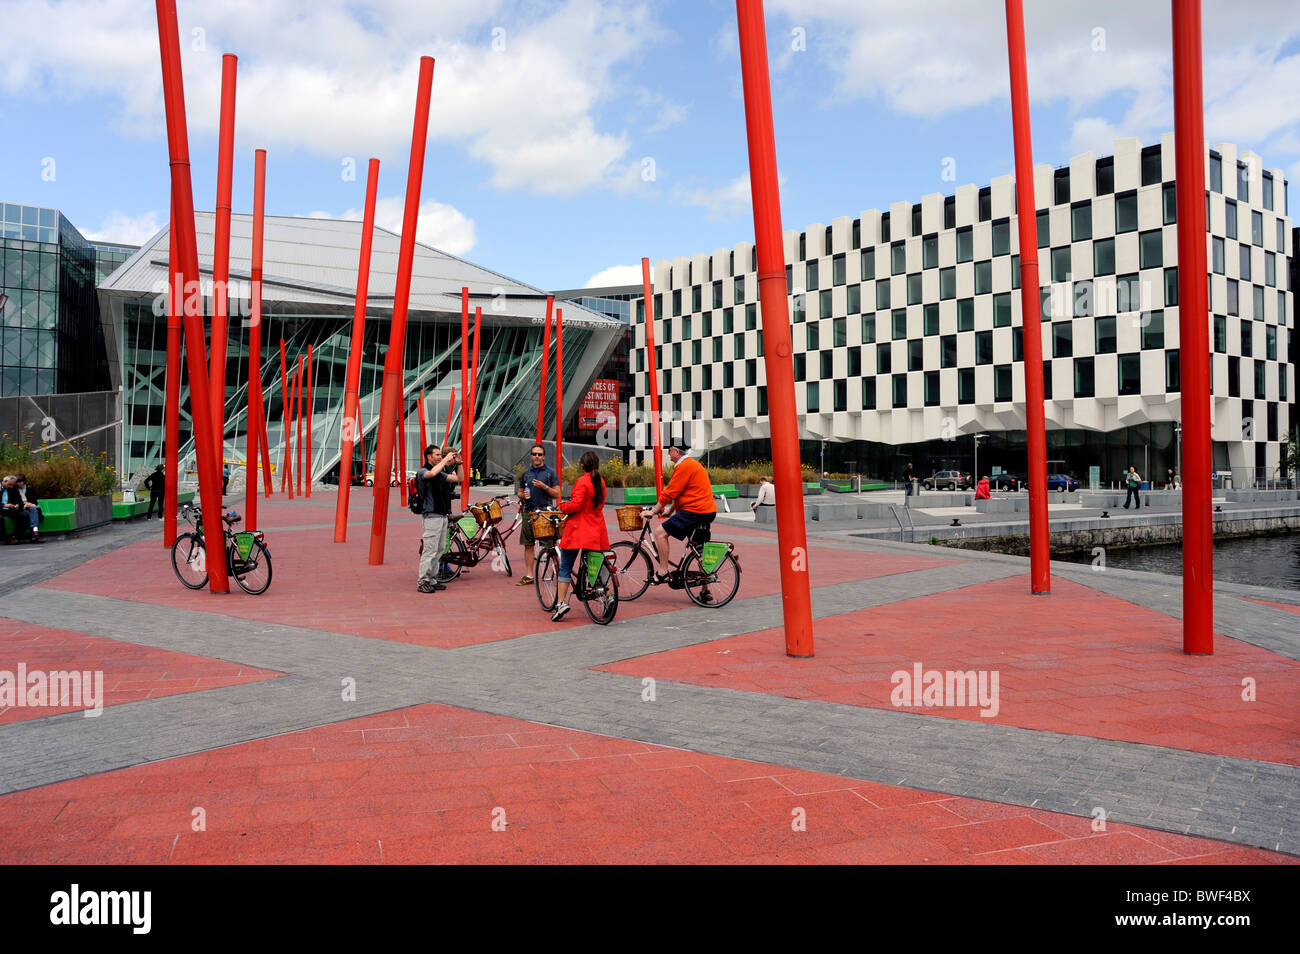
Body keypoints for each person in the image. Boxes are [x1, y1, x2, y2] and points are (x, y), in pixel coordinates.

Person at [641, 442, 716, 590]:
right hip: (706, 510)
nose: (668, 453)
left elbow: (670, 492)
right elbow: (683, 491)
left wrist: (654, 511)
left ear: (676, 451)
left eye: (669, 450)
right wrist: (669, 511)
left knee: (660, 533)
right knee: (698, 548)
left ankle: (663, 571)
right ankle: (705, 590)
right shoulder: (691, 464)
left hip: (694, 510)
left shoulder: (684, 466)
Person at [550, 451, 609, 622]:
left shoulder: (582, 481)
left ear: (582, 466)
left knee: (566, 566)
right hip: (596, 528)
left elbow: (575, 505)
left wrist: (562, 507)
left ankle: (561, 603)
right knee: (595, 566)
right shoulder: (601, 481)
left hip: (579, 529)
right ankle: (608, 595)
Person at [415, 445, 461, 593]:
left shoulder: (440, 473)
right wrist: (446, 460)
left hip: (442, 515)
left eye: (441, 455)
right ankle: (423, 581)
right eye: (437, 455)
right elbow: (431, 474)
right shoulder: (423, 472)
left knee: (439, 549)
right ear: (429, 457)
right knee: (429, 550)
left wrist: (459, 464)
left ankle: (432, 579)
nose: (440, 457)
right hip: (431, 515)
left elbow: (460, 478)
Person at [515, 444, 560, 586]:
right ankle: (529, 575)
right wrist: (522, 495)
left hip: (545, 513)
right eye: (534, 454)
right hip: (529, 511)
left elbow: (557, 493)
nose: (537, 457)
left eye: (539, 454)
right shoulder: (526, 473)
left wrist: (544, 487)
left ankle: (555, 573)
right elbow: (520, 492)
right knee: (528, 545)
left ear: (544, 457)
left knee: (548, 545)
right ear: (531, 456)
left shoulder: (550, 473)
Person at [2, 474, 44, 544]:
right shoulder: (13, 489)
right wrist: (23, 505)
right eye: (16, 483)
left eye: (19, 482)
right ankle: (35, 534)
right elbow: (15, 501)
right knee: (31, 513)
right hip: (22, 508)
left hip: (30, 507)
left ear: (24, 482)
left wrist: (31, 504)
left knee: (33, 509)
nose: (17, 484)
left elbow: (35, 502)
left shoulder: (30, 488)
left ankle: (34, 533)